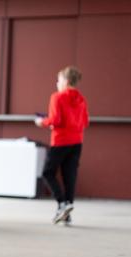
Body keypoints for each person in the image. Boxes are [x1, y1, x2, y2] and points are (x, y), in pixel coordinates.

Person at [35, 66, 89, 224]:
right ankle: (68, 211)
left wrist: (42, 122)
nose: (57, 83)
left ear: (65, 81)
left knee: (48, 172)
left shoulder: (57, 97)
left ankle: (62, 203)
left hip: (60, 141)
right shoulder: (81, 99)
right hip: (77, 141)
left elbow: (55, 120)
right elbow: (85, 122)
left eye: (58, 80)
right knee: (69, 175)